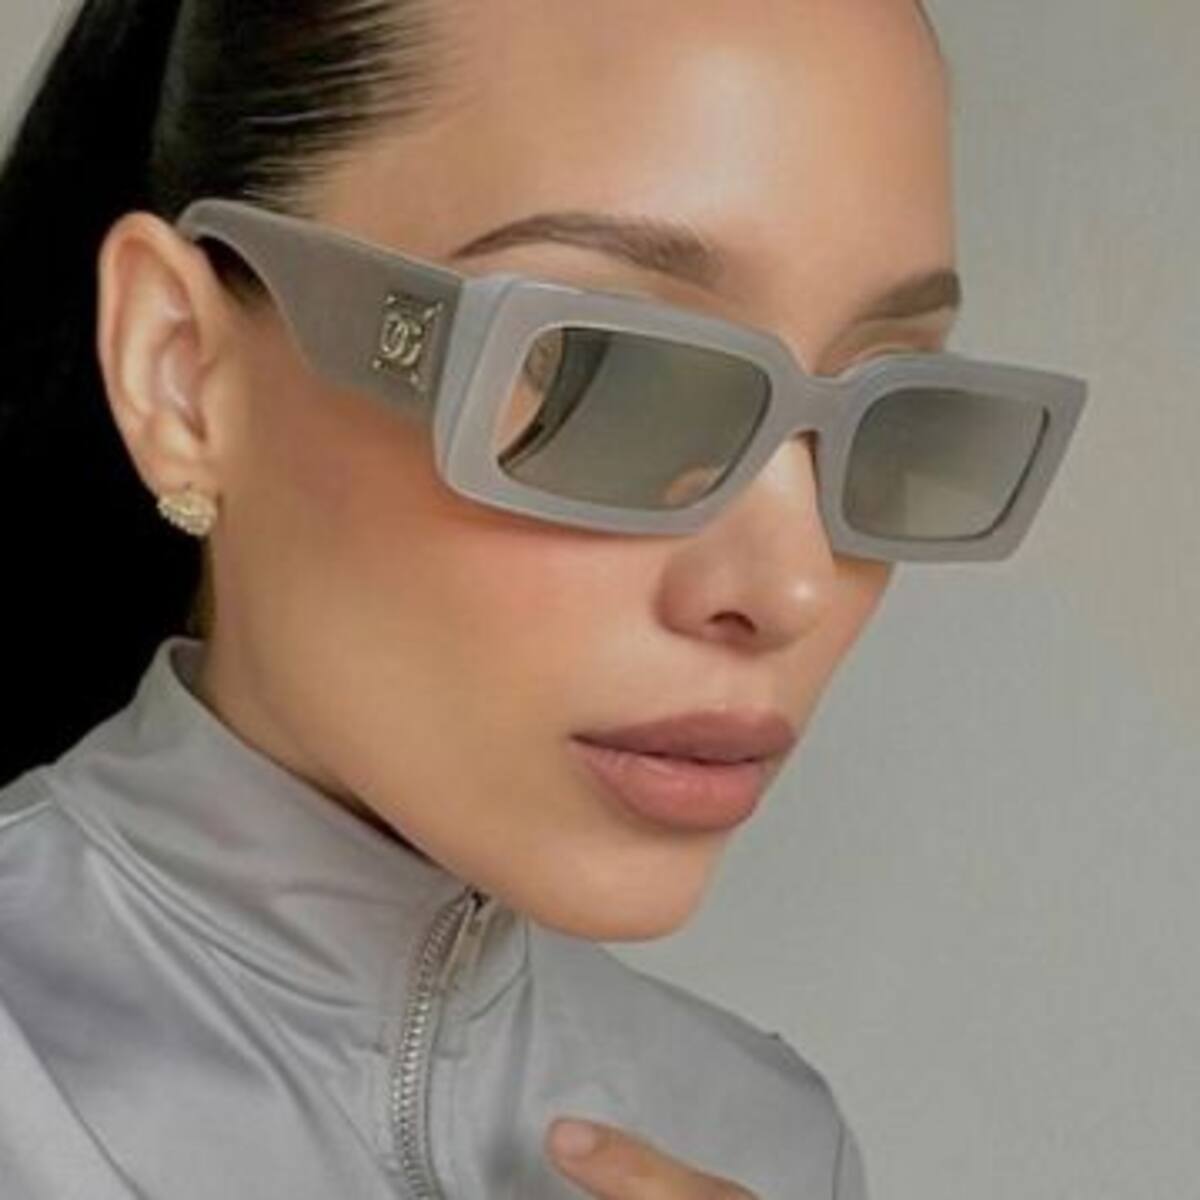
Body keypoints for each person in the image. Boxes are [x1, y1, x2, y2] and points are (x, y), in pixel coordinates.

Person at [0, 0, 1086, 1196]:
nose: (791, 586)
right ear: (182, 372)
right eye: (605, 376)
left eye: (898, 410)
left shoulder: (766, 1141)